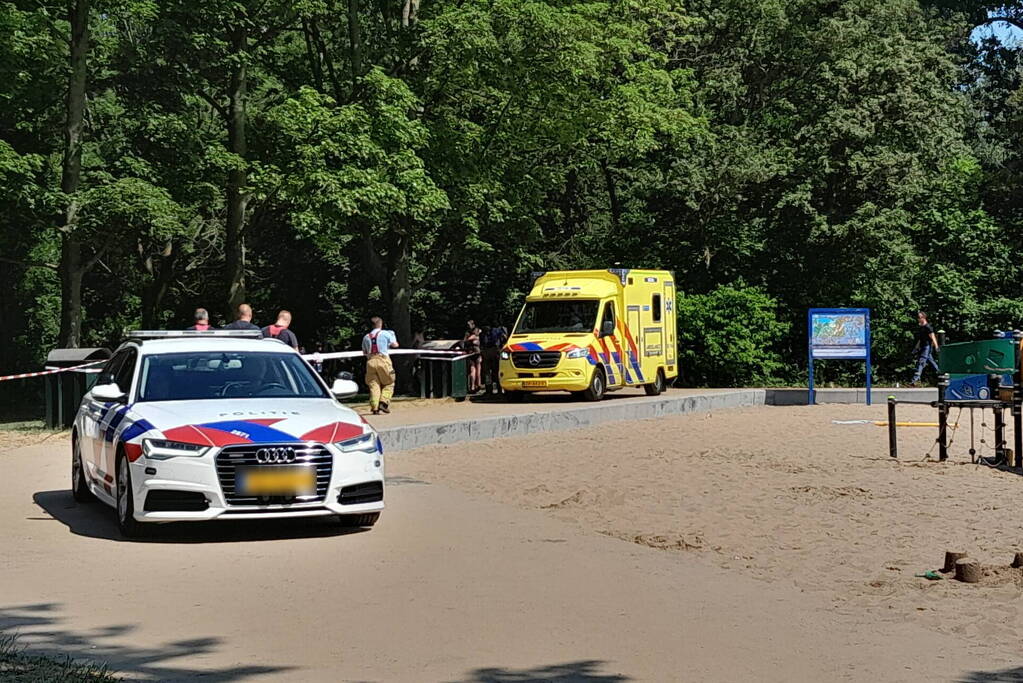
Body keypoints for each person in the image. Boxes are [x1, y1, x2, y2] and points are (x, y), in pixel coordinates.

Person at [363, 316, 398, 415]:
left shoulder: (366, 337)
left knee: (374, 385)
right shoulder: (386, 333)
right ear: (381, 324)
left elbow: (364, 352)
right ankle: (383, 402)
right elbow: (395, 345)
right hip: (383, 360)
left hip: (370, 361)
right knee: (389, 382)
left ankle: (374, 407)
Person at [910, 310, 940, 386]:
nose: (918, 319)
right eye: (918, 318)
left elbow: (933, 337)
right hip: (923, 346)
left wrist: (936, 346)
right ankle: (941, 372)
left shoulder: (928, 327)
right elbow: (920, 339)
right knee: (932, 362)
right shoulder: (921, 327)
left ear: (923, 318)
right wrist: (916, 348)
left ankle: (915, 380)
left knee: (921, 361)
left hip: (927, 347)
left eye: (919, 317)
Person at [481, 320, 508, 395]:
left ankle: (488, 389)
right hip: (496, 351)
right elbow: (504, 338)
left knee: (487, 372)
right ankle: (499, 389)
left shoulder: (483, 332)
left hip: (486, 351)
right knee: (497, 371)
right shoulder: (499, 330)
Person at [462, 320, 482, 393]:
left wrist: (469, 339)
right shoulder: (476, 331)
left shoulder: (471, 332)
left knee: (477, 369)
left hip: (475, 352)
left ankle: (477, 385)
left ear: (472, 325)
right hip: (473, 352)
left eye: (469, 325)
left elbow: (465, 341)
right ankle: (474, 386)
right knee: (473, 369)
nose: (468, 326)